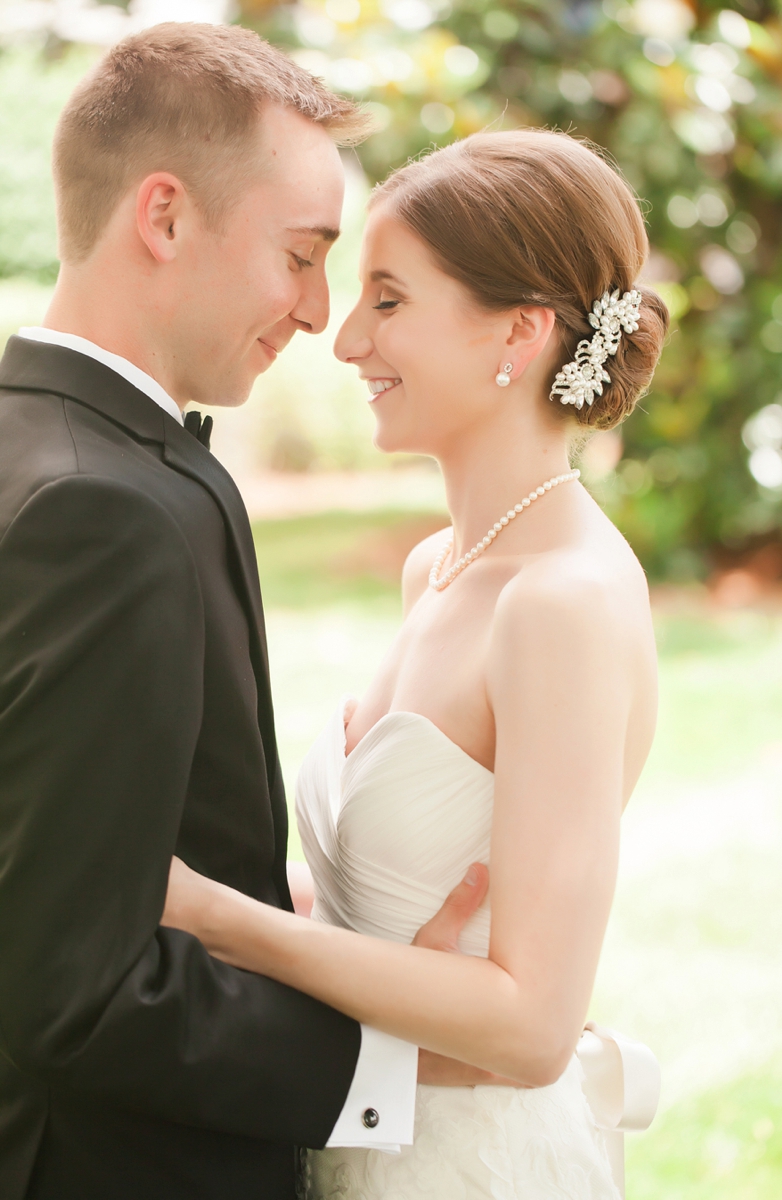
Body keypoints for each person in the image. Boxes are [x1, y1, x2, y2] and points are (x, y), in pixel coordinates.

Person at [0, 23, 487, 1200]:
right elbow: (75, 984)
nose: (318, 313)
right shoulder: (102, 515)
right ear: (163, 218)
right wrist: (401, 1053)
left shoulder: (46, 445)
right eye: (301, 254)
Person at [162, 129, 671, 1198]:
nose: (344, 340)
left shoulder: (561, 604)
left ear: (517, 334)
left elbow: (531, 1026)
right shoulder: (439, 567)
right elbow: (388, 910)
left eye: (386, 301)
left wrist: (216, 917)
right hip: (361, 1122)